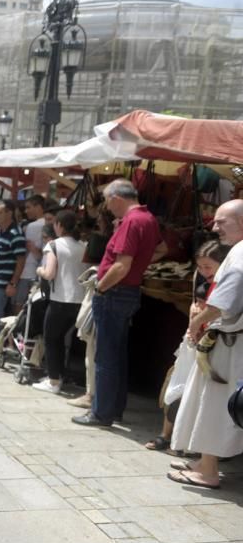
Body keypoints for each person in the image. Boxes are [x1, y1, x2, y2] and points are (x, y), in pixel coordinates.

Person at [73, 179, 162, 427]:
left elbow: (122, 266)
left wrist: (101, 287)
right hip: (128, 292)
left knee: (106, 356)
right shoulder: (147, 219)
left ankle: (101, 413)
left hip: (115, 293)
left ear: (116, 198)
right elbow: (160, 249)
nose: (107, 207)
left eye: (107, 201)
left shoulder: (133, 221)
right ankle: (113, 409)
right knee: (116, 355)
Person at [167, 200, 243, 489]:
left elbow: (224, 302)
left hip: (229, 342)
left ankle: (208, 470)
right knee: (207, 401)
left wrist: (196, 323)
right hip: (230, 340)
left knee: (213, 404)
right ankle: (204, 461)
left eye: (222, 222)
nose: (214, 227)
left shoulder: (240, 253)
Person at [146, 240, 229, 451]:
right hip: (193, 342)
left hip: (213, 343)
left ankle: (191, 444)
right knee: (175, 385)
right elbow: (196, 304)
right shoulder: (202, 279)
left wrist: (198, 319)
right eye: (200, 267)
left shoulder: (228, 282)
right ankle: (167, 435)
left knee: (198, 395)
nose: (203, 271)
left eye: (208, 267)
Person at [33, 209, 87, 394]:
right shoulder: (83, 246)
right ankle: (58, 375)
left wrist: (39, 271)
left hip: (60, 300)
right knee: (65, 340)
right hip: (80, 301)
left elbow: (49, 273)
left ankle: (54, 381)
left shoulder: (53, 245)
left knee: (51, 339)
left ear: (60, 225)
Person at [0, 199, 28, 350]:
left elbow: (21, 260)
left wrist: (13, 283)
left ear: (9, 213)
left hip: (3, 282)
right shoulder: (0, 232)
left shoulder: (15, 233)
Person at [19, 194, 47, 310]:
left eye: (28, 207)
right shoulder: (48, 223)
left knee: (19, 304)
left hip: (28, 270)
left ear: (38, 207)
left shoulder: (33, 226)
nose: (26, 211)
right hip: (42, 270)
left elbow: (25, 250)